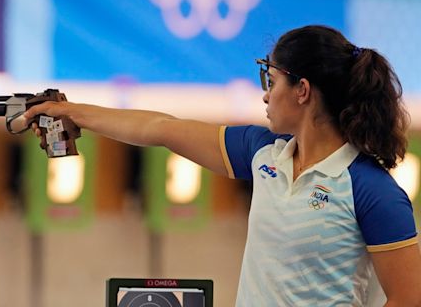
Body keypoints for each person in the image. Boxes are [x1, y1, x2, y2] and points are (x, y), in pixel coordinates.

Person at [24, 25, 421, 306]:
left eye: (271, 79)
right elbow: (159, 127)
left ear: (302, 91)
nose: (265, 94)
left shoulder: (371, 190)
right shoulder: (262, 152)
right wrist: (72, 111)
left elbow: (409, 298)